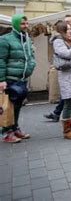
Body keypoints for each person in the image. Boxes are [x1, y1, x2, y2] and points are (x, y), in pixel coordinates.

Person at [0, 14, 36, 143]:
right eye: (22, 24)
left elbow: (31, 55)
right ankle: (6, 132)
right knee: (7, 107)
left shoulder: (26, 38)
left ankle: (15, 128)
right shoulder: (5, 40)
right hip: (9, 78)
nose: (25, 26)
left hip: (21, 78)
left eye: (26, 23)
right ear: (15, 24)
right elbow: (1, 60)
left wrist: (31, 66)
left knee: (18, 106)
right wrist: (1, 80)